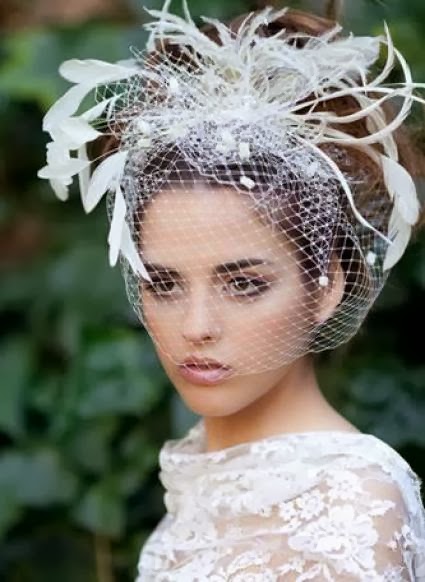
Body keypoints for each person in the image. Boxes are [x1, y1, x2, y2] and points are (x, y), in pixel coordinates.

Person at [38, 1, 425, 579]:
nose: (196, 326)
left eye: (244, 284)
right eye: (164, 283)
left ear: (325, 287)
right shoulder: (202, 483)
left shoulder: (346, 507)